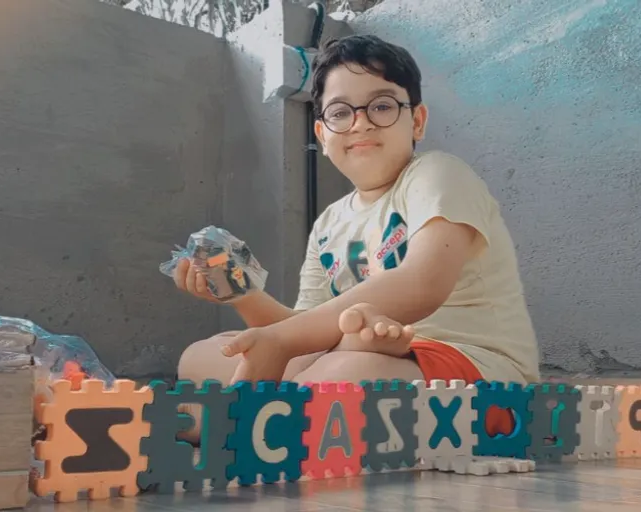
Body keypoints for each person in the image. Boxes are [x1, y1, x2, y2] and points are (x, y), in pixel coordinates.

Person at [173, 34, 539, 438]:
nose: (361, 121)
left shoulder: (438, 173)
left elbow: (422, 284)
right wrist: (242, 295)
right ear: (321, 135)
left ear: (416, 120)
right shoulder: (329, 223)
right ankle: (273, 416)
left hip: (476, 373)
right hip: (367, 362)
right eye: (341, 112)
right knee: (198, 357)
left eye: (381, 106)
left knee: (345, 375)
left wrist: (291, 343)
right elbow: (304, 328)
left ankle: (233, 428)